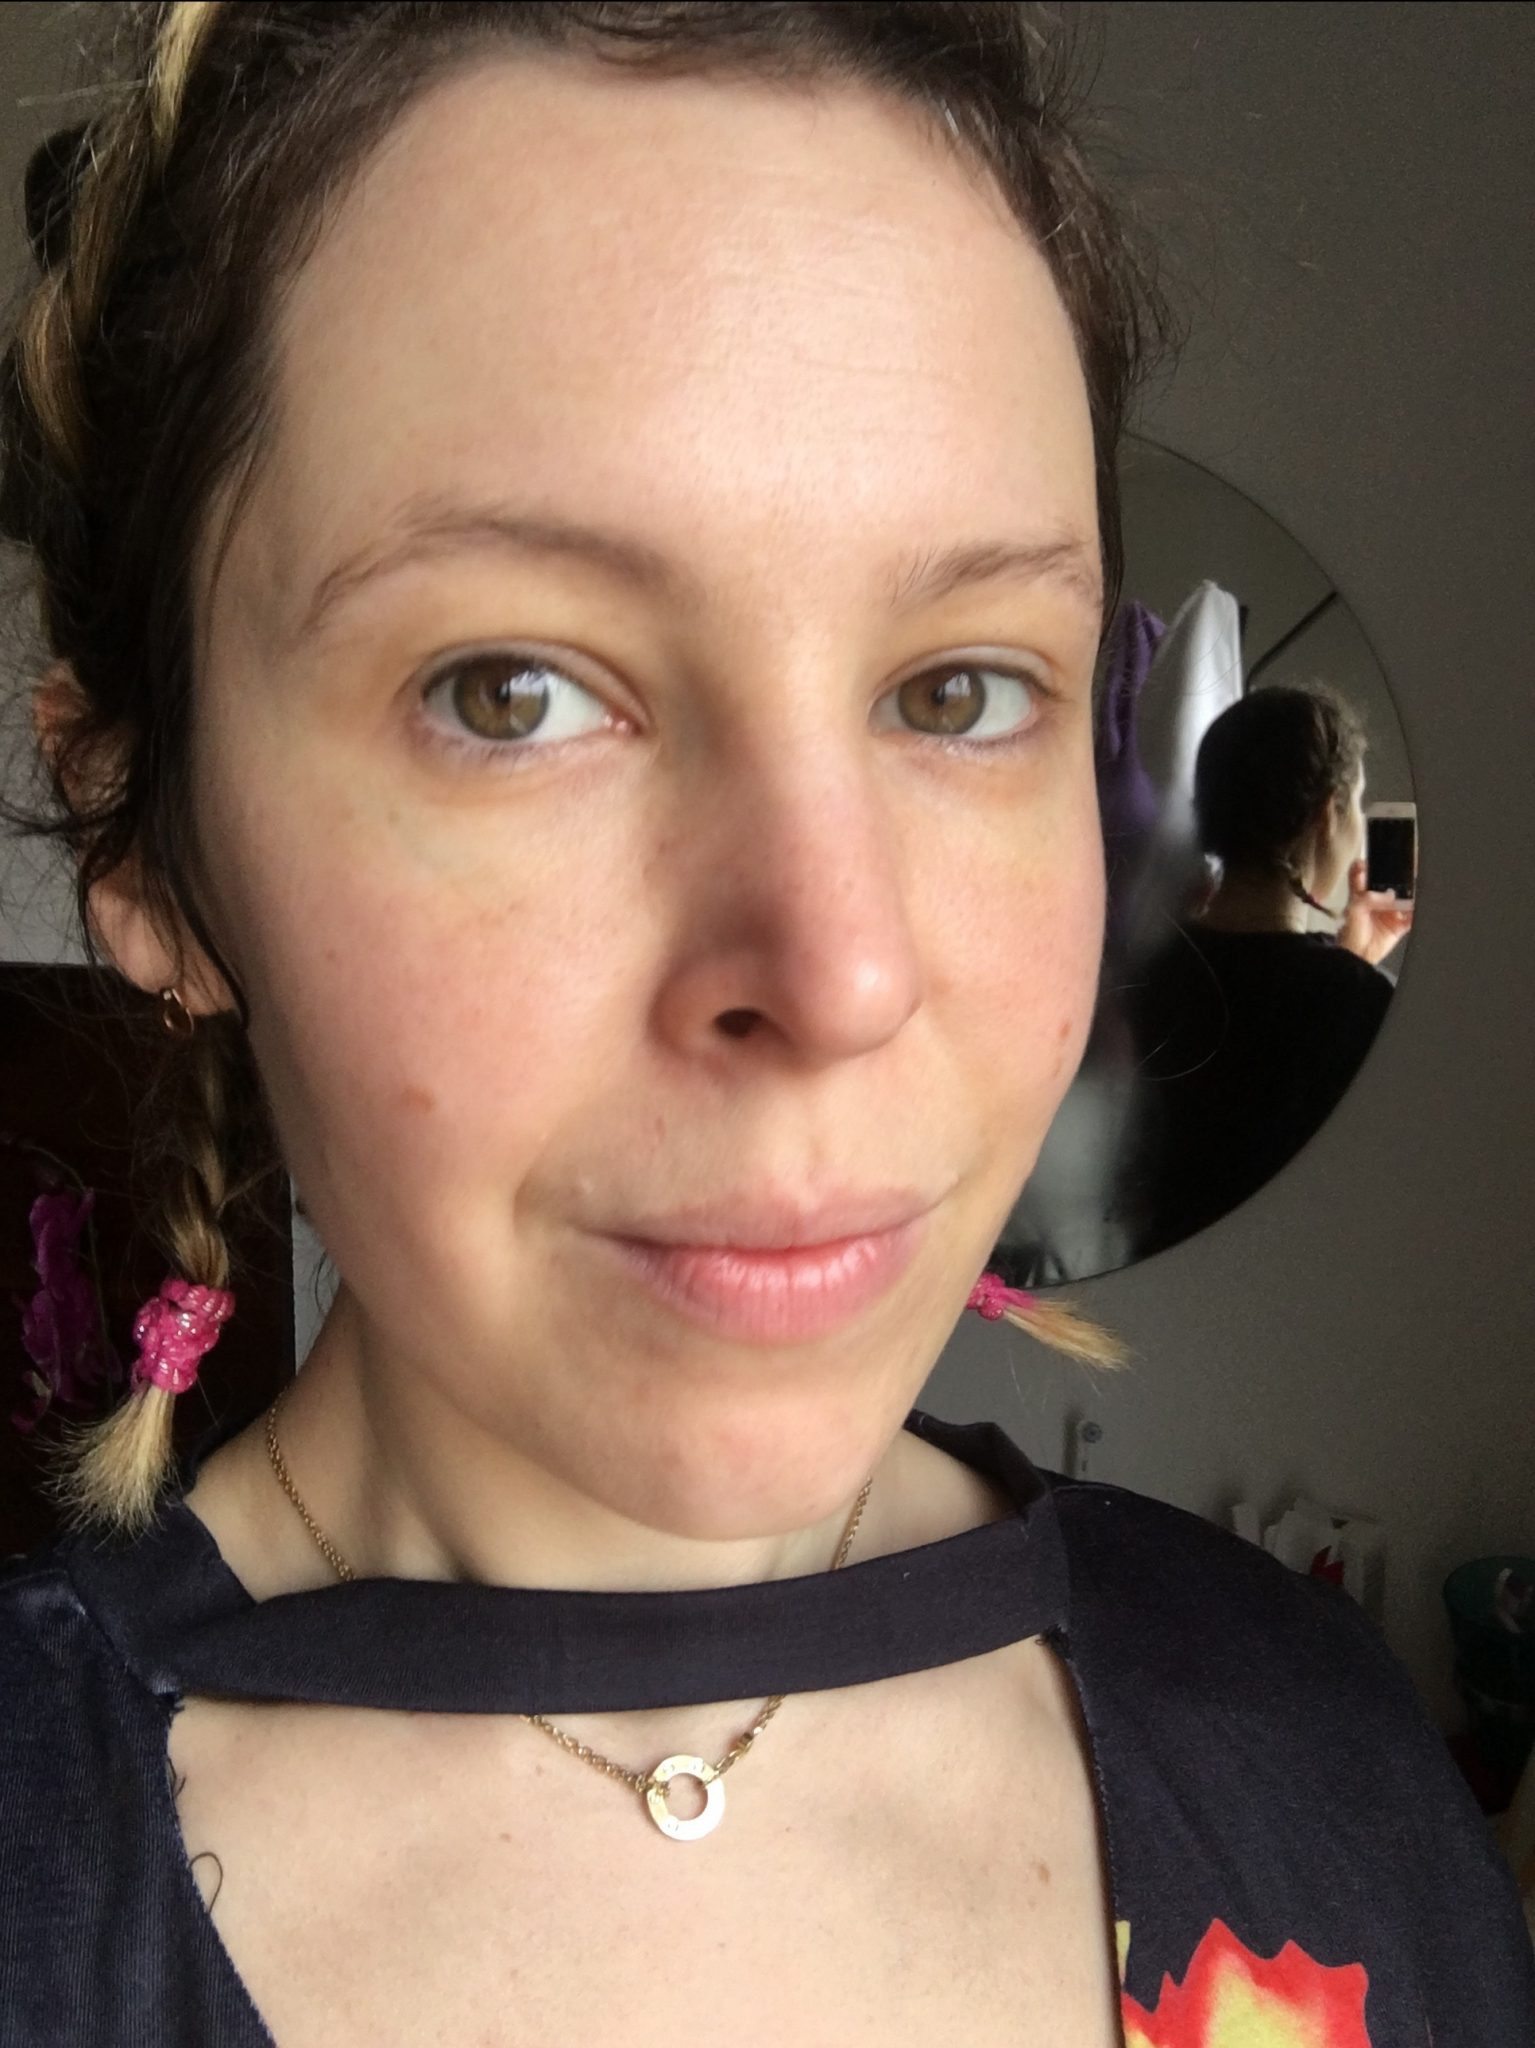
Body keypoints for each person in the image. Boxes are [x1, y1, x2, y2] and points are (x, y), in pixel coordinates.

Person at [0, 6, 1527, 2045]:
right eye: (512, 692)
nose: (839, 973)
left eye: (957, 690)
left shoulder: (1328, 1759)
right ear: (147, 844)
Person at [1125, 683, 1415, 1260]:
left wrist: (1351, 959)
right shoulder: (1359, 1007)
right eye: (1355, 805)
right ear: (1327, 816)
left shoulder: (1145, 968)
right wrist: (1353, 974)